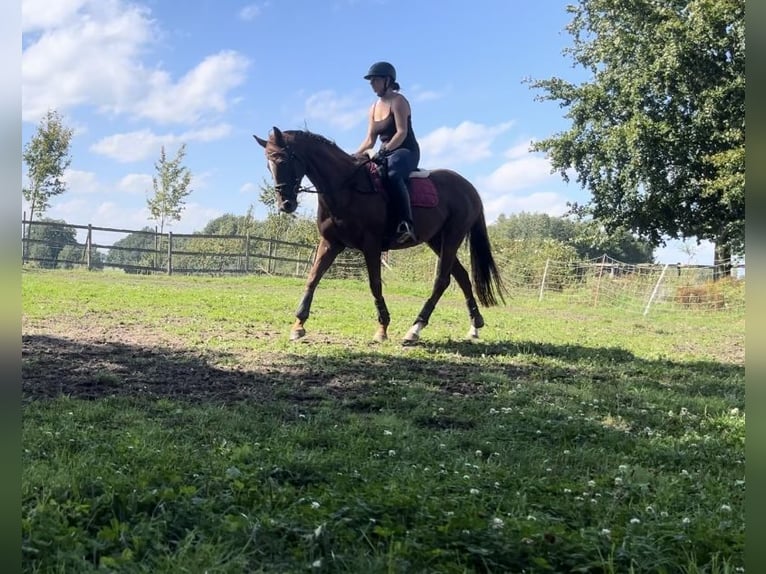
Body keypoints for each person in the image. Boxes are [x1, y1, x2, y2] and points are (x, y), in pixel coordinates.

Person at [354, 61, 420, 244]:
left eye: (375, 80)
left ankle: (406, 224)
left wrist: (385, 151)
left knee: (391, 174)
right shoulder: (373, 108)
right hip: (386, 152)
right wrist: (353, 156)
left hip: (406, 150)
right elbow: (369, 140)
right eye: (371, 81)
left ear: (387, 80)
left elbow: (402, 132)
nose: (372, 84)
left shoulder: (399, 101)